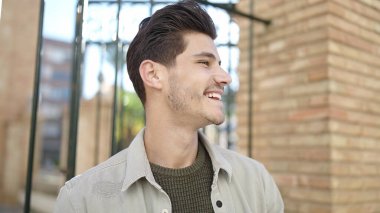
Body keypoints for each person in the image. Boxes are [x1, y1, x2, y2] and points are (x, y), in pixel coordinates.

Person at [54, 1, 284, 212]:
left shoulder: (256, 182)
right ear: (153, 75)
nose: (225, 77)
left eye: (220, 65)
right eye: (204, 63)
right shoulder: (81, 201)